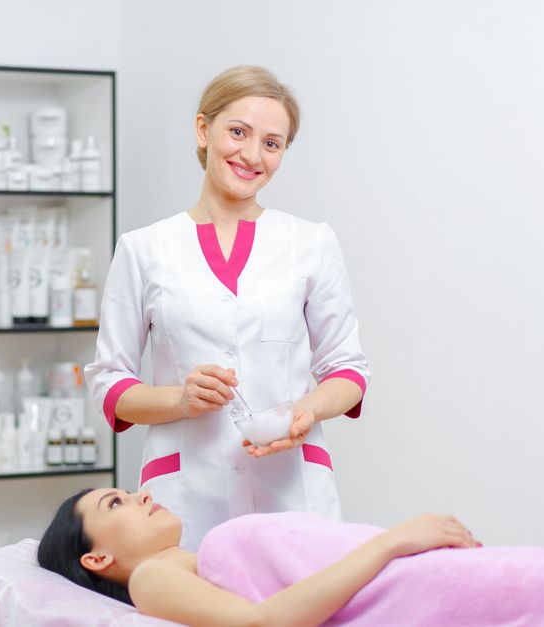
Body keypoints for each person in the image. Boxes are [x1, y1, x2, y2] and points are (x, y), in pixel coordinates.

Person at [85, 65, 369, 549]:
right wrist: (180, 399)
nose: (252, 155)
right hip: (186, 494)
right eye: (238, 132)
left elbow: (348, 370)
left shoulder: (311, 242)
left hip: (293, 488)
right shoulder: (144, 249)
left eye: (272, 143)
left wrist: (305, 411)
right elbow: (109, 382)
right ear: (203, 130)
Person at [38, 488, 544, 626]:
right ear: (97, 559)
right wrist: (391, 541)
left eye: (129, 491)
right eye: (117, 503)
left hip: (425, 574)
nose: (141, 496)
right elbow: (260, 622)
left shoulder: (196, 558)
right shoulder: (152, 577)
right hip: (415, 583)